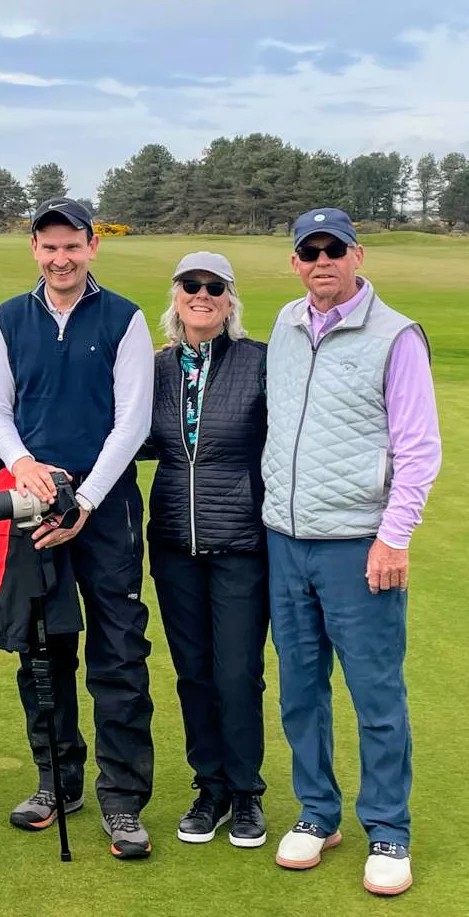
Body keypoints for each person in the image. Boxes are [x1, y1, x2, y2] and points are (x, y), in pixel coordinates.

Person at [263, 208, 441, 896]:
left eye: (332, 248)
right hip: (285, 539)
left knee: (374, 693)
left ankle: (387, 826)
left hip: (357, 545)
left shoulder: (393, 335)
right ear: (294, 262)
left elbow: (417, 447)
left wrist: (393, 533)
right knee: (299, 690)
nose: (320, 260)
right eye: (308, 251)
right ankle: (316, 813)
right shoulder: (283, 324)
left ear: (356, 254)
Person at [0, 197, 155, 860]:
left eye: (71, 246)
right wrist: (22, 464)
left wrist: (84, 499)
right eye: (48, 246)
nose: (60, 258)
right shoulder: (11, 318)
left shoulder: (123, 318)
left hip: (102, 509)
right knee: (42, 650)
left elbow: (131, 422)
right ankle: (58, 780)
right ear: (33, 249)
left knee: (117, 652)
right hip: (35, 505)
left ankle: (121, 796)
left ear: (91, 247)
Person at [145, 252, 269, 848]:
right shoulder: (158, 368)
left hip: (242, 541)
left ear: (229, 298)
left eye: (212, 287)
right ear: (176, 297)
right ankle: (211, 787)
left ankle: (246, 792)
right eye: (190, 286)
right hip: (172, 541)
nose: (201, 295)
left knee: (238, 671)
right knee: (193, 672)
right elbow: (127, 438)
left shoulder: (259, 362)